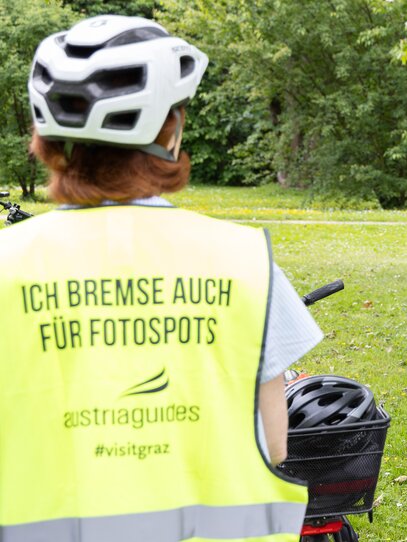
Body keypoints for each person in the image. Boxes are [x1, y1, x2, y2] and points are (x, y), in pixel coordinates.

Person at [0, 15, 321, 541]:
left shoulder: (7, 264)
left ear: (48, 138)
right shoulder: (244, 262)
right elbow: (275, 444)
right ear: (170, 129)